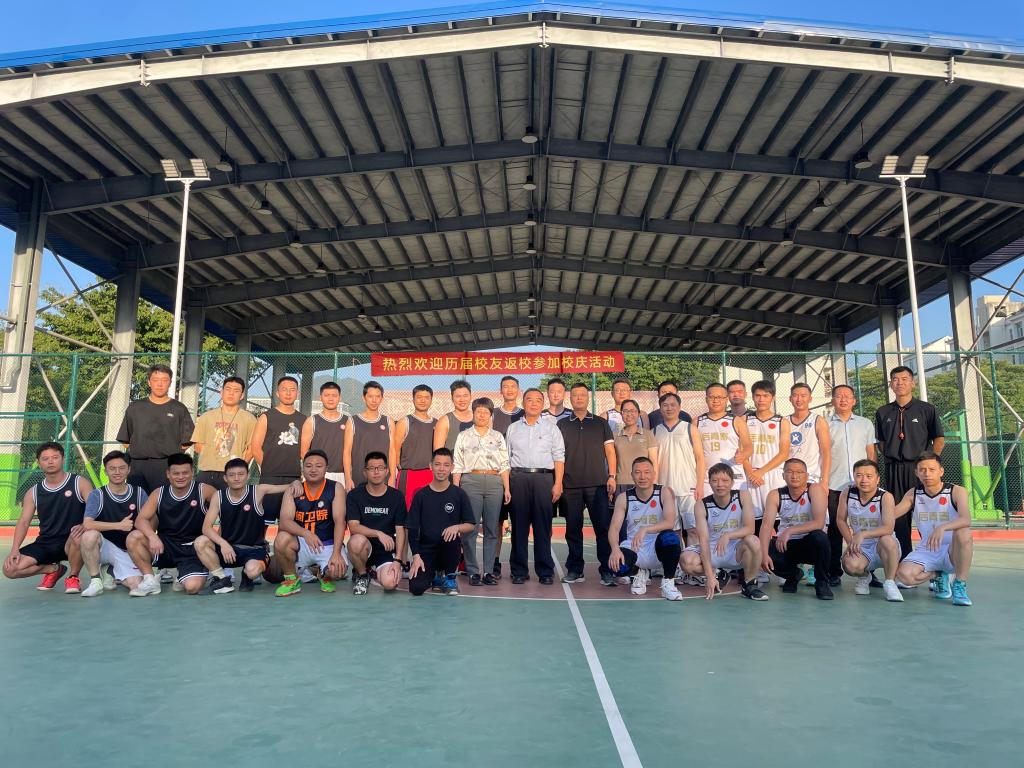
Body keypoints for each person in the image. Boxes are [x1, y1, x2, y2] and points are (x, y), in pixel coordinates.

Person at [193, 458, 301, 593]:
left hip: (254, 548)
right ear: (225, 478)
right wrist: (223, 544)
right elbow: (206, 528)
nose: (236, 478)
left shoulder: (258, 491)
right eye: (232, 475)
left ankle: (247, 576)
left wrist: (296, 482)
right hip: (228, 549)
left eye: (241, 474)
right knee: (200, 542)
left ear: (248, 476)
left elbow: (287, 486)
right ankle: (222, 579)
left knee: (252, 571)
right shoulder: (218, 496)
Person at [875, 366, 945, 561]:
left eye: (904, 379)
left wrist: (930, 463)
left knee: (926, 514)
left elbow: (939, 438)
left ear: (913, 383)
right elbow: (881, 442)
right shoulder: (882, 412)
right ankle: (905, 560)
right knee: (898, 517)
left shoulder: (927, 409)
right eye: (895, 379)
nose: (900, 383)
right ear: (891, 384)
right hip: (894, 468)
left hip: (920, 470)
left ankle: (933, 561)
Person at [125, 453, 217, 596]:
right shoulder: (159, 493)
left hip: (193, 548)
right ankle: (150, 580)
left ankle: (185, 576)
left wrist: (217, 541)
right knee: (134, 537)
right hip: (165, 546)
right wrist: (153, 536)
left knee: (192, 588)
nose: (181, 477)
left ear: (192, 472)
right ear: (168, 474)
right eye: (176, 473)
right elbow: (140, 520)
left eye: (185, 473)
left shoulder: (205, 490)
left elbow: (226, 513)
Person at [3, 442, 90, 593]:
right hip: (46, 542)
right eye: (45, 458)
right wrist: (14, 549)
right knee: (10, 569)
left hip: (72, 540)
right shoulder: (33, 492)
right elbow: (24, 522)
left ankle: (73, 576)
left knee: (79, 536)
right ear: (39, 463)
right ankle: (53, 569)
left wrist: (85, 525)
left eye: (55, 457)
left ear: (63, 459)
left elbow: (95, 509)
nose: (50, 461)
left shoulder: (79, 483)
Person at [894, 453, 973, 606]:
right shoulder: (913, 494)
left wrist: (943, 527)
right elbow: (892, 515)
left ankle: (959, 584)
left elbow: (966, 519)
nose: (927, 474)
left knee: (964, 532)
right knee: (904, 576)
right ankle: (939, 574)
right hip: (927, 549)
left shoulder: (956, 491)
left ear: (941, 471)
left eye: (932, 469)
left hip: (952, 550)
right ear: (916, 473)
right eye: (922, 470)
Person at [558, 383, 617, 585]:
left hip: (597, 484)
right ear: (570, 398)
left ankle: (606, 570)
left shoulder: (600, 423)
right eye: (575, 395)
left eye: (583, 395)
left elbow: (610, 452)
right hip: (570, 485)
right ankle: (575, 570)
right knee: (573, 530)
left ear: (588, 397)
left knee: (602, 529)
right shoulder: (562, 425)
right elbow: (557, 455)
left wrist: (612, 476)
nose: (579, 398)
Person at [681, 463, 768, 600]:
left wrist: (728, 535)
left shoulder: (743, 496)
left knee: (753, 540)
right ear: (709, 483)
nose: (720, 484)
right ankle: (718, 574)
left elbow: (750, 528)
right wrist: (709, 576)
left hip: (735, 549)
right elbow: (703, 540)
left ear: (732, 482)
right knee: (687, 561)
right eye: (715, 481)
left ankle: (749, 585)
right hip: (712, 548)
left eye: (725, 480)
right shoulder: (701, 505)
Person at [506, 388, 565, 585]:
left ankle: (545, 571)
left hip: (543, 480)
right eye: (529, 400)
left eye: (538, 400)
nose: (533, 403)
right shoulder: (513, 428)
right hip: (518, 479)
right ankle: (519, 571)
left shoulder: (551, 428)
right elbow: (506, 458)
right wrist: (508, 486)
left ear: (543, 404)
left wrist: (558, 483)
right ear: (523, 403)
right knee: (519, 528)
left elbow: (559, 456)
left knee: (543, 527)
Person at [270, 449, 348, 597]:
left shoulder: (336, 487)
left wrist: (336, 553)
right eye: (308, 466)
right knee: (281, 539)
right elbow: (285, 522)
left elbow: (340, 522)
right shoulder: (294, 489)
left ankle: (324, 574)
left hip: (327, 544)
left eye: (318, 466)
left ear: (326, 468)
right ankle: (292, 581)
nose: (313, 469)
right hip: (302, 543)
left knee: (337, 572)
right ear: (303, 468)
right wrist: (305, 533)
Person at [452, 397, 511, 586]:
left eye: (486, 412)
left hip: (495, 482)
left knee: (492, 528)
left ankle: (488, 572)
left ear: (491, 415)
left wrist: (507, 487)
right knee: (470, 527)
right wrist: (456, 489)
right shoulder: (464, 436)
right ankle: (472, 572)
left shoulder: (498, 436)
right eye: (479, 412)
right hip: (471, 481)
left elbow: (504, 464)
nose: (482, 415)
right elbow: (457, 464)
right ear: (474, 413)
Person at [607, 457, 684, 601]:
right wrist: (615, 549)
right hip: (635, 546)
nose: (642, 477)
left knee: (671, 538)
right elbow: (614, 528)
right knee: (615, 566)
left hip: (658, 547)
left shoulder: (664, 492)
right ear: (632, 475)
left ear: (654, 474)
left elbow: (670, 522)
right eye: (637, 472)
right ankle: (638, 573)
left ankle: (668, 582)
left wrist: (645, 529)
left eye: (647, 472)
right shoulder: (624, 498)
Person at [759, 458, 834, 600]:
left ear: (807, 475)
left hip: (809, 543)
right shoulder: (775, 494)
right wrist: (763, 554)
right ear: (783, 475)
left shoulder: (815, 490)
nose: (794, 476)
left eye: (799, 472)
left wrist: (790, 530)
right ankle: (793, 575)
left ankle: (822, 582)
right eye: (790, 472)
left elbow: (819, 523)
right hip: (786, 544)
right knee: (760, 550)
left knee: (820, 537)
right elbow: (766, 526)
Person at [407, 448, 476, 596]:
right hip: (426, 551)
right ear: (431, 466)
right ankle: (436, 576)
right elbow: (412, 528)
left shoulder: (459, 494)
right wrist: (416, 556)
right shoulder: (421, 495)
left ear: (452, 467)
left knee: (451, 537)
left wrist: (457, 527)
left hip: (449, 549)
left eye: (446, 465)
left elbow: (470, 524)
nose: (441, 469)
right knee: (416, 588)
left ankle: (450, 576)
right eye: (437, 464)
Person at [116, 363, 194, 493]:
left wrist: (171, 452)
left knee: (164, 502)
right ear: (149, 382)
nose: (160, 384)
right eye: (156, 380)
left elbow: (188, 439)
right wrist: (140, 450)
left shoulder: (179, 408)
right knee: (138, 501)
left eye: (164, 380)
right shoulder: (135, 407)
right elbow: (126, 439)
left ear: (170, 383)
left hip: (167, 466)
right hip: (137, 466)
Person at [827, 384, 876, 586]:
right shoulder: (824, 423)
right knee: (834, 530)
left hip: (862, 485)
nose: (843, 399)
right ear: (833, 400)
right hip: (834, 484)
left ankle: (870, 570)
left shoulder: (865, 424)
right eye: (839, 396)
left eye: (847, 396)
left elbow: (871, 452)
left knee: (867, 526)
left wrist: (872, 479)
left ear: (854, 401)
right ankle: (833, 572)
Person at [79, 450, 146, 597]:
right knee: (89, 536)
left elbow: (148, 521)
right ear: (105, 471)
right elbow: (87, 524)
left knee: (137, 586)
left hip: (129, 549)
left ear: (129, 469)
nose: (117, 472)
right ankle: (96, 581)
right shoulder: (97, 495)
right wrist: (118, 525)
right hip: (104, 547)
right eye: (112, 468)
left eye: (122, 468)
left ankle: (110, 570)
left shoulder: (139, 493)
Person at [743, 380, 791, 583]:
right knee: (754, 522)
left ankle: (781, 567)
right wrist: (751, 472)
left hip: (772, 476)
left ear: (772, 397)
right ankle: (759, 567)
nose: (761, 399)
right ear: (752, 397)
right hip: (750, 477)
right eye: (758, 395)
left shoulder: (782, 421)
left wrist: (761, 471)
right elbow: (740, 450)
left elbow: (784, 452)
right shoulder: (744, 420)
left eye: (765, 395)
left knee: (777, 523)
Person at [834, 459, 903, 601]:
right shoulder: (847, 493)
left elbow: (888, 528)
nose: (864, 480)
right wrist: (851, 542)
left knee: (887, 540)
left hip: (884, 546)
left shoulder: (885, 497)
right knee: (849, 565)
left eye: (869, 476)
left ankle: (890, 583)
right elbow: (840, 520)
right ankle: (865, 576)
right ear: (854, 477)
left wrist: (863, 534)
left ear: (877, 479)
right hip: (862, 547)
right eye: (859, 475)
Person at [653, 392, 704, 563]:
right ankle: (677, 567)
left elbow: (700, 458)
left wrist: (699, 485)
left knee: (693, 530)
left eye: (673, 404)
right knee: (673, 532)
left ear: (679, 407)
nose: (669, 408)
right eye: (665, 405)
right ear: (660, 408)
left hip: (689, 488)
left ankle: (692, 565)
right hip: (666, 490)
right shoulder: (654, 432)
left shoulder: (690, 428)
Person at [346, 451, 407, 595]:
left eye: (380, 468)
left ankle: (376, 570)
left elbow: (400, 530)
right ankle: (362, 574)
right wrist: (378, 533)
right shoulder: (355, 495)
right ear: (365, 472)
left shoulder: (396, 496)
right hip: (364, 546)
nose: (376, 472)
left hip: (386, 549)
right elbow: (353, 527)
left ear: (387, 471)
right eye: (372, 468)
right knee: (355, 542)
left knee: (390, 584)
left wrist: (398, 560)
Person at [250, 375, 306, 522]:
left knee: (289, 522)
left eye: (292, 390)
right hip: (270, 478)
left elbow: (304, 451)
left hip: (294, 478)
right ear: (277, 393)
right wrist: (268, 467)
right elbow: (255, 448)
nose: (288, 393)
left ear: (297, 393)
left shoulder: (304, 420)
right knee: (263, 521)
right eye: (284, 389)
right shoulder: (266, 417)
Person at [190, 376, 257, 491]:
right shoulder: (207, 416)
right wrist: (213, 458)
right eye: (228, 389)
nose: (231, 393)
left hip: (234, 474)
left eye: (236, 390)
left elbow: (251, 448)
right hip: (207, 472)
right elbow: (198, 444)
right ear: (221, 392)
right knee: (201, 502)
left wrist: (239, 465)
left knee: (230, 502)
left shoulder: (249, 419)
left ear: (242, 395)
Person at [490, 376, 524, 575]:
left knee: (519, 522)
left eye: (513, 386)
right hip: (497, 477)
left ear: (518, 390)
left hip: (519, 477)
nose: (509, 389)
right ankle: (494, 561)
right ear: (500, 390)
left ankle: (518, 565)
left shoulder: (526, 414)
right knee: (497, 522)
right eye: (505, 386)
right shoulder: (492, 414)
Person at [696, 383, 752, 494]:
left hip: (734, 476)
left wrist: (743, 455)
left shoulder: (737, 421)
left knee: (739, 505)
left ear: (726, 399)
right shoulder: (697, 422)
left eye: (719, 397)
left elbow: (748, 447)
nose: (715, 400)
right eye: (712, 397)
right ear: (706, 399)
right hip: (708, 479)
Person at [343, 380, 394, 490]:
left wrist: (392, 476)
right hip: (359, 477)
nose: (374, 400)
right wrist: (348, 478)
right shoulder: (353, 421)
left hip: (383, 478)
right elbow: (347, 451)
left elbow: (392, 450)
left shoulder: (388, 421)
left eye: (377, 396)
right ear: (364, 398)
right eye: (370, 396)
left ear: (382, 398)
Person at [393, 384, 437, 508]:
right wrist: (398, 469)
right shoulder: (404, 422)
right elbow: (395, 449)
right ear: (413, 399)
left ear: (431, 400)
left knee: (429, 510)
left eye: (426, 397)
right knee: (406, 510)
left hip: (430, 474)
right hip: (409, 474)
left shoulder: (437, 423)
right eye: (419, 397)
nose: (423, 400)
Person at [300, 381, 348, 484]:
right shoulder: (311, 421)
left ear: (340, 398)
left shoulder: (348, 421)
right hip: (317, 474)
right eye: (327, 395)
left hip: (341, 475)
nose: (330, 399)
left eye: (334, 395)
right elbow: (303, 451)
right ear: (320, 397)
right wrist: (315, 469)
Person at [788, 383, 831, 490]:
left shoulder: (818, 420)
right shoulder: (784, 421)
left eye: (803, 396)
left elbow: (826, 453)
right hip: (789, 478)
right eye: (795, 395)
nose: (799, 399)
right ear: (790, 398)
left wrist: (825, 481)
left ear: (810, 399)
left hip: (812, 478)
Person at [613, 399, 659, 492]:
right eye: (625, 411)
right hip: (621, 483)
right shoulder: (615, 436)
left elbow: (654, 462)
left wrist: (654, 483)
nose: (629, 414)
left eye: (632, 411)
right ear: (621, 414)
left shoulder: (648, 434)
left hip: (643, 482)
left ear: (638, 414)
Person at [434, 379, 474, 450]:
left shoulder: (479, 418)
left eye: (465, 396)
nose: (462, 400)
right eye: (458, 396)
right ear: (452, 398)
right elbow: (438, 451)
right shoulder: (444, 421)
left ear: (471, 397)